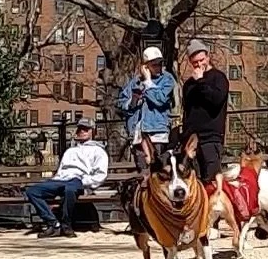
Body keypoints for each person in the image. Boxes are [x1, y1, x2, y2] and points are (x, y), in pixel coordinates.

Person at [24, 119, 110, 238]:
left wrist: (85, 183)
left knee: (69, 190)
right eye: (80, 129)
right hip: (60, 180)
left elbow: (100, 175)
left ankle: (66, 225)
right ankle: (53, 224)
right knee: (32, 191)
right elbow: (61, 171)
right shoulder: (70, 151)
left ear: (93, 132)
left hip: (78, 181)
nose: (82, 131)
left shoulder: (98, 151)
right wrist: (55, 181)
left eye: (86, 129)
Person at [118, 45, 175, 174]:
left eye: (160, 64)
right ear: (145, 66)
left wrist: (149, 83)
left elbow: (160, 99)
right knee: (143, 172)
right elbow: (122, 103)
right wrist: (133, 101)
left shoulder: (167, 79)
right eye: (154, 65)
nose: (158, 67)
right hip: (138, 133)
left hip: (157, 133)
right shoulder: (135, 82)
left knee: (157, 170)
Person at [179, 38, 229, 185]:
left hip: (211, 138)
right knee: (193, 181)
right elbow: (187, 111)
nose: (199, 64)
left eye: (202, 60)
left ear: (208, 56)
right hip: (191, 140)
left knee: (211, 181)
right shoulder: (188, 85)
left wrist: (201, 81)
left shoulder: (218, 78)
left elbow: (216, 100)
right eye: (195, 62)